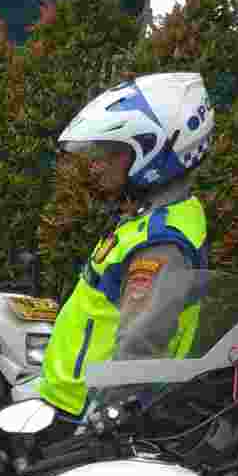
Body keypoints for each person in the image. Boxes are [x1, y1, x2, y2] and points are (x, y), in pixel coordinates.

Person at [38, 71, 214, 430]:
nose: (98, 164)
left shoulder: (161, 242)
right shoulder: (152, 217)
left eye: (112, 153)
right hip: (74, 401)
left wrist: (104, 418)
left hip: (94, 418)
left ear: (154, 154)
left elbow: (141, 342)